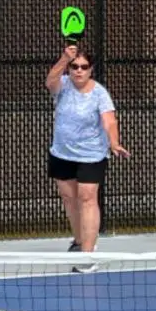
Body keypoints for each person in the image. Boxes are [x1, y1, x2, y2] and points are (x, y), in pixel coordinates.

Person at [45, 44, 130, 273]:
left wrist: (114, 143)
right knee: (69, 197)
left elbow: (109, 120)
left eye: (84, 67)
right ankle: (79, 241)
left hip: (91, 155)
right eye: (74, 67)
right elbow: (49, 81)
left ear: (91, 69)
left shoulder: (100, 93)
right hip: (62, 152)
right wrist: (64, 58)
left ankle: (88, 255)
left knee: (87, 197)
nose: (79, 71)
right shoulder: (62, 85)